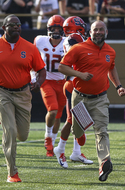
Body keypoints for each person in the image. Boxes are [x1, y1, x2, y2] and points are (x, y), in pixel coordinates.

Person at [0, 14, 46, 182]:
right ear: (4, 28)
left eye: (18, 24)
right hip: (0, 91)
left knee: (23, 135)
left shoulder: (30, 47)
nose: (16, 27)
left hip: (23, 93)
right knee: (10, 131)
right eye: (12, 25)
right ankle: (12, 172)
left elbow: (41, 70)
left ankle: (4, 116)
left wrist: (38, 83)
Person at [58, 20, 125, 181]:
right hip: (80, 97)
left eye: (101, 29)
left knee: (101, 130)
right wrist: (80, 75)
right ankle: (78, 138)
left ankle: (104, 163)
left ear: (106, 32)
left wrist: (118, 86)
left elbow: (111, 67)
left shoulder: (110, 51)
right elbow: (62, 67)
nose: (98, 32)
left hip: (100, 98)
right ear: (90, 33)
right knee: (78, 131)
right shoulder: (78, 48)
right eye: (95, 29)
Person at [53, 16, 93, 168]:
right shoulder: (73, 39)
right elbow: (76, 59)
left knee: (80, 120)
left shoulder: (77, 38)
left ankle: (76, 152)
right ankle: (60, 149)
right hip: (73, 84)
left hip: (79, 83)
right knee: (72, 120)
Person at [33, 15, 67, 157]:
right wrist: (32, 75)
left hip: (63, 82)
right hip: (46, 80)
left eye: (58, 28)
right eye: (53, 28)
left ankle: (51, 144)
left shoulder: (67, 42)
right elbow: (32, 58)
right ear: (48, 29)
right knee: (52, 110)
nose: (56, 31)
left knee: (58, 115)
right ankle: (47, 136)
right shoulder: (40, 41)